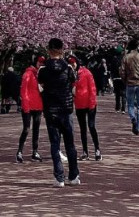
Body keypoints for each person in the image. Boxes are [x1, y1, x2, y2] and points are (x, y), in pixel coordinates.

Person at [37, 38, 80, 188]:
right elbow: (74, 83)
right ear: (62, 50)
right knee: (70, 144)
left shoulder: (43, 70)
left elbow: (41, 86)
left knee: (55, 144)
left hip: (51, 110)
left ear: (49, 50)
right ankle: (73, 176)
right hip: (66, 109)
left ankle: (59, 177)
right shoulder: (68, 68)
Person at [67, 55, 102, 161]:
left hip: (89, 103)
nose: (72, 65)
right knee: (83, 129)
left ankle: (97, 149)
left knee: (91, 127)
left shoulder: (86, 73)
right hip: (79, 104)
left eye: (73, 63)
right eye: (70, 64)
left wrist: (92, 103)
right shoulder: (71, 74)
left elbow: (92, 88)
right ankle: (85, 152)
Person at [16, 54, 46, 163]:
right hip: (28, 105)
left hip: (38, 105)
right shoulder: (28, 74)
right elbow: (23, 91)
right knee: (26, 129)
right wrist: (25, 105)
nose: (40, 64)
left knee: (36, 129)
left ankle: (35, 151)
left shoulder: (41, 74)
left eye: (42, 62)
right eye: (39, 62)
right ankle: (19, 151)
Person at [120, 38, 139, 136]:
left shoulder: (126, 57)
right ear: (137, 47)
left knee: (130, 105)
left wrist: (125, 80)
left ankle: (133, 118)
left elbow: (122, 71)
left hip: (130, 84)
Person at [111, 45, 126, 113]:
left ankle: (117, 108)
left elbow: (112, 69)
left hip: (116, 78)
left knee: (117, 94)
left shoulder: (114, 59)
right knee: (123, 93)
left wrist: (112, 77)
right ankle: (123, 108)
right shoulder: (124, 59)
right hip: (123, 78)